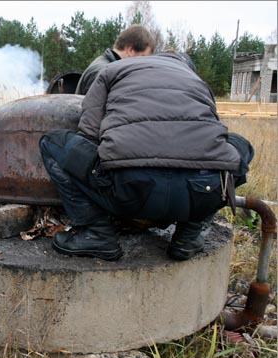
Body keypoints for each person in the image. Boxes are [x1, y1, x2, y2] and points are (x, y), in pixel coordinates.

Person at [40, 52, 254, 261]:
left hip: (129, 190)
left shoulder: (113, 70)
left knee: (52, 142)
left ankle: (96, 232)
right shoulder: (196, 80)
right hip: (198, 194)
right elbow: (213, 134)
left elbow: (88, 133)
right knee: (241, 147)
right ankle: (189, 235)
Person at [74, 24, 156, 96]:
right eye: (143, 57)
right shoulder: (102, 73)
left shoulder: (109, 70)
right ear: (130, 50)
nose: (143, 63)